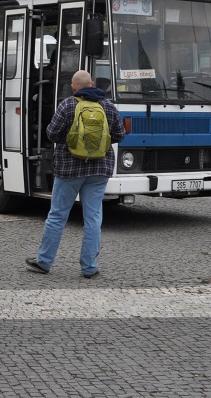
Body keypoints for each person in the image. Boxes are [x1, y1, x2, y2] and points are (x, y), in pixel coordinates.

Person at [25, 69, 126, 278]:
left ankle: (44, 262)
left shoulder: (68, 104)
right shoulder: (108, 106)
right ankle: (89, 267)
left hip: (69, 171)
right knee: (93, 218)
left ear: (73, 87)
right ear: (92, 84)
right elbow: (119, 135)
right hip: (99, 170)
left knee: (57, 216)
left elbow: (52, 134)